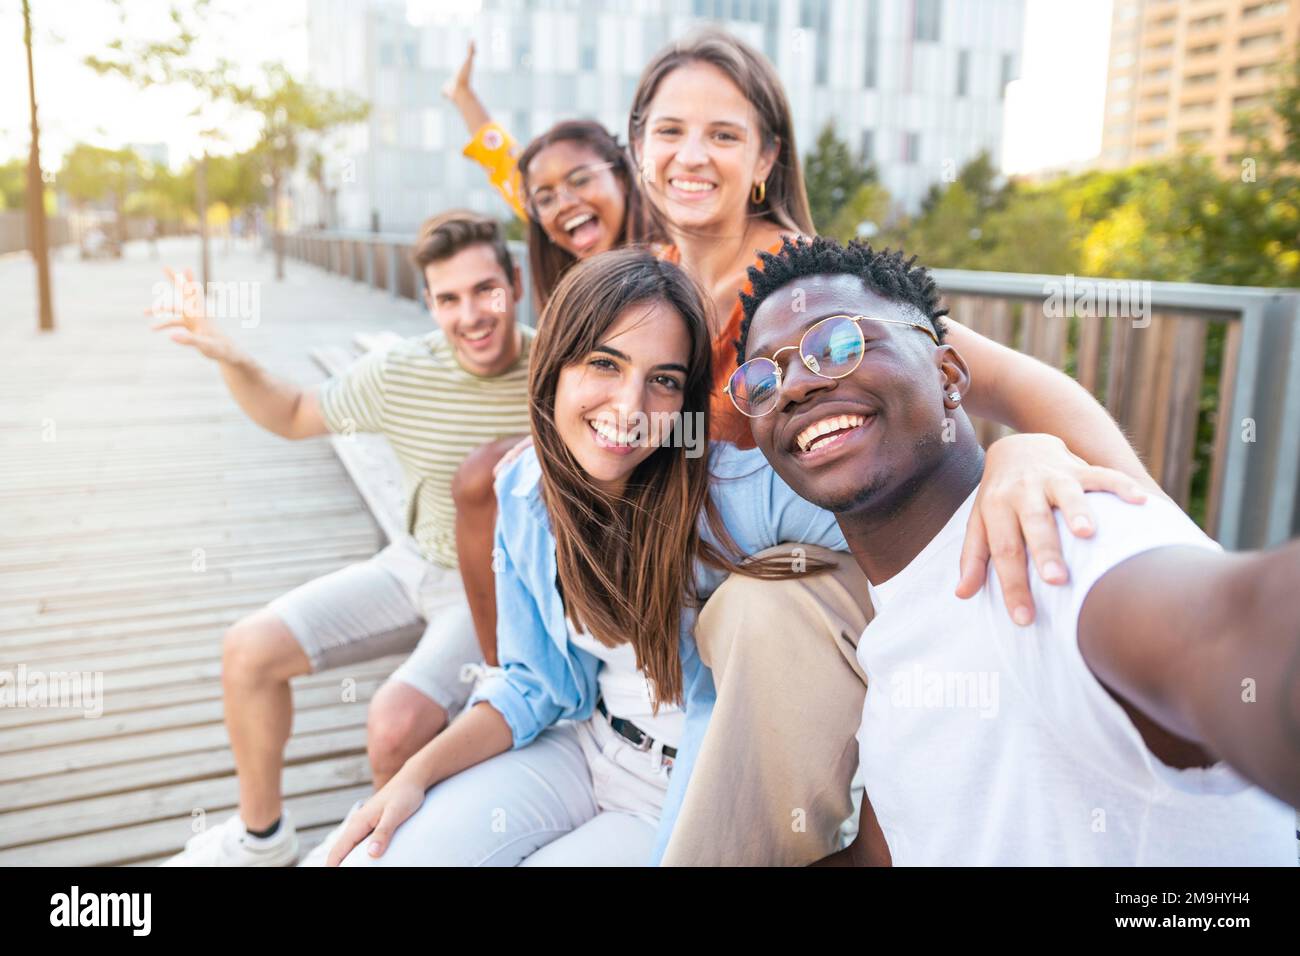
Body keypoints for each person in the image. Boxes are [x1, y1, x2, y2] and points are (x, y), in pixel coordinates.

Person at [737, 234, 1300, 865]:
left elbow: (1239, 627)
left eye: (837, 345)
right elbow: (884, 855)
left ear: (948, 374)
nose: (791, 388)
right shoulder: (903, 623)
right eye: (762, 379)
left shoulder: (1055, 538)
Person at [151, 211, 534, 865]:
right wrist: (236, 358)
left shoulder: (559, 369)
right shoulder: (402, 373)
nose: (470, 314)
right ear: (429, 303)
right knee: (247, 651)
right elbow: (296, 413)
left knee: (394, 725)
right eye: (449, 298)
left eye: (485, 291)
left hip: (497, 588)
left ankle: (394, 853)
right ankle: (261, 841)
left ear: (515, 283)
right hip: (414, 562)